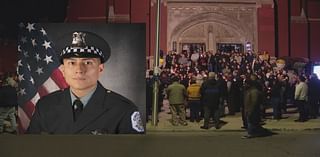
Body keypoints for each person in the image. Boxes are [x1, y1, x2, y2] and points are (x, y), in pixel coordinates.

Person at [27, 31, 144, 134]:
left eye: (88, 62)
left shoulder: (123, 110)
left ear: (100, 68)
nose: (79, 70)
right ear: (63, 70)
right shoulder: (45, 106)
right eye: (72, 63)